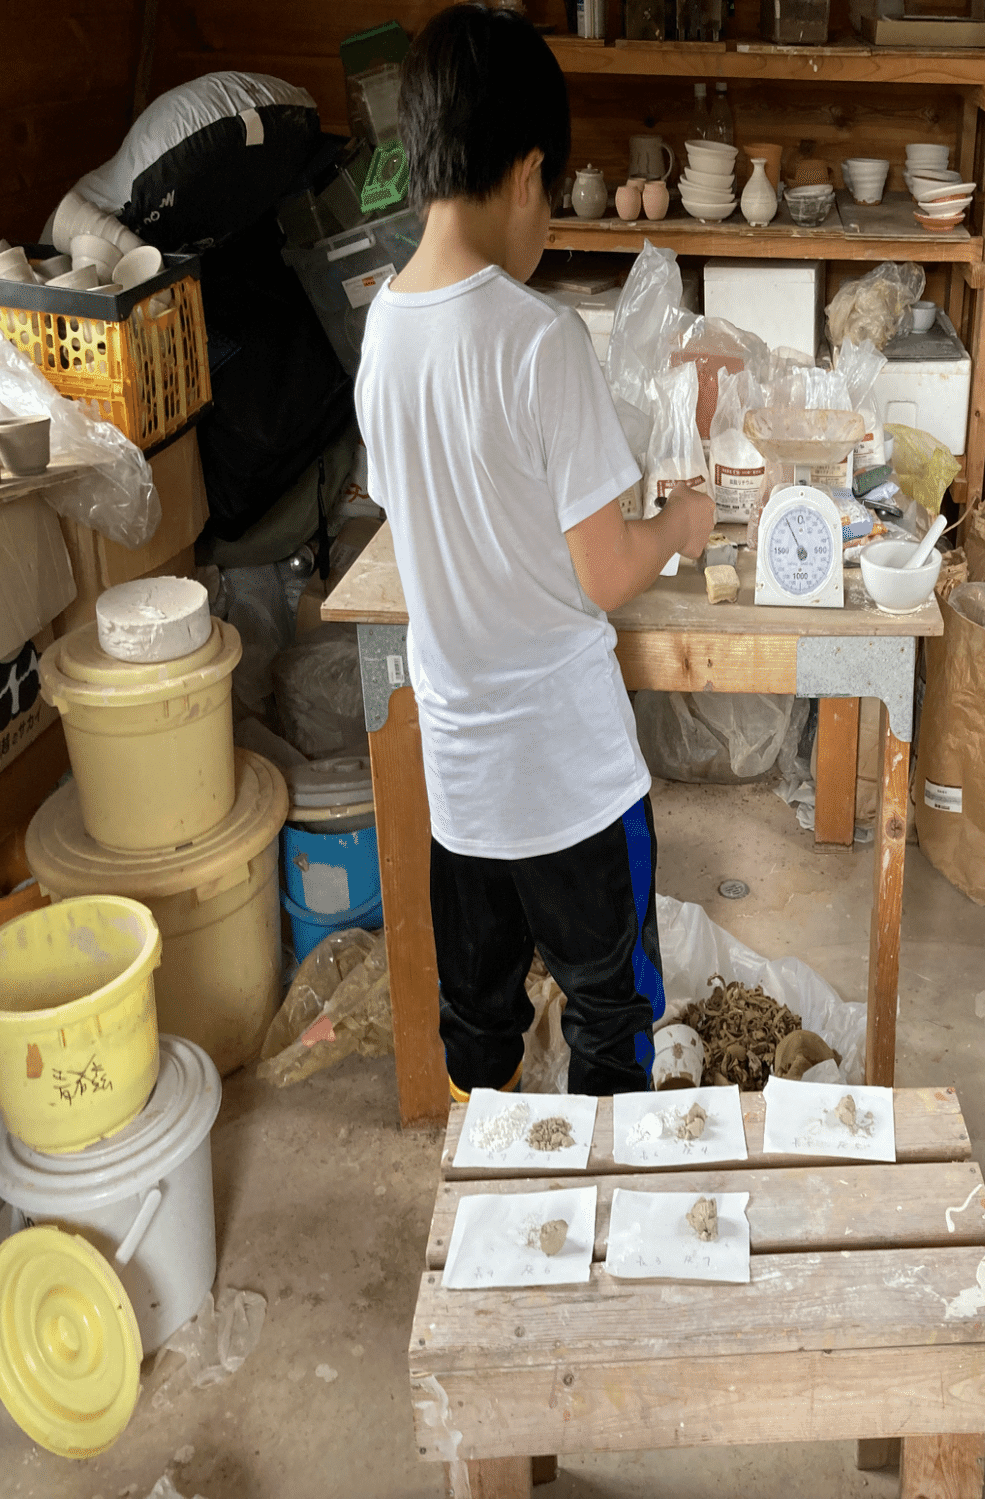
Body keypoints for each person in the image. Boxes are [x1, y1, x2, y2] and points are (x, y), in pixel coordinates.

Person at [354, 4, 715, 1100]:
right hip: (571, 779)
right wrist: (684, 525)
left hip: (462, 784)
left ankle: (493, 1213)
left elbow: (429, 514)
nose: (549, 225)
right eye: (552, 196)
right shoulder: (541, 340)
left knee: (480, 1018)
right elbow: (603, 573)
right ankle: (606, 1232)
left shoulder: (380, 330)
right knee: (614, 1015)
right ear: (524, 175)